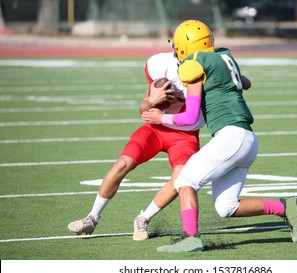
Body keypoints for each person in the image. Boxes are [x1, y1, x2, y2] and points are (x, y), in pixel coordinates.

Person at [141, 19, 297, 252]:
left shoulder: (193, 64)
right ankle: (284, 207)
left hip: (231, 136)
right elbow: (246, 82)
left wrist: (161, 119)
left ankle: (191, 238)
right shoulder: (224, 56)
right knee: (226, 207)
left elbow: (189, 117)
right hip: (247, 140)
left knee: (185, 180)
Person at [68, 51, 204, 241]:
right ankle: (92, 217)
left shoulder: (206, 69)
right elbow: (143, 111)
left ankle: (143, 218)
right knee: (122, 164)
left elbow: (193, 115)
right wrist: (150, 101)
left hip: (185, 135)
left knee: (180, 180)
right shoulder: (161, 64)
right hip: (155, 129)